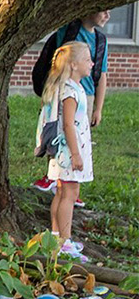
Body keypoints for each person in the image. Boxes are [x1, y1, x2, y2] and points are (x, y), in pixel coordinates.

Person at [33, 9, 110, 207]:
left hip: (86, 95)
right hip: (64, 92)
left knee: (79, 136)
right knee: (58, 132)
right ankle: (55, 176)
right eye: (103, 10)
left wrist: (98, 108)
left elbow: (101, 75)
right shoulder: (67, 31)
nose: (107, 16)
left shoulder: (101, 41)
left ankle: (73, 184)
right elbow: (56, 62)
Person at [42, 41, 95, 258]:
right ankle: (65, 242)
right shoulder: (70, 91)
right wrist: (76, 154)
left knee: (62, 191)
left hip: (65, 152)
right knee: (70, 194)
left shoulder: (72, 87)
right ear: (73, 65)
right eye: (87, 60)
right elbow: (68, 125)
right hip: (69, 151)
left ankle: (55, 237)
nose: (92, 64)